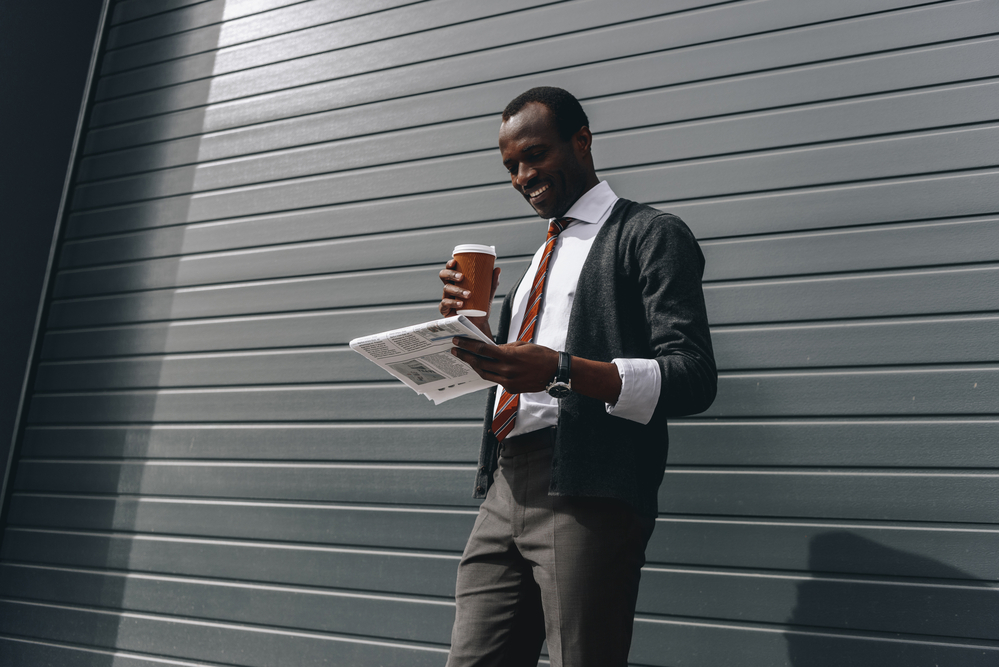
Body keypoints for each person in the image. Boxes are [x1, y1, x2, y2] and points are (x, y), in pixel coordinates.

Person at [438, 87, 717, 667]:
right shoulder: (539, 258)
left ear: (582, 141)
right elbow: (518, 371)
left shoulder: (649, 235)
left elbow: (692, 377)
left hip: (588, 490)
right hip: (505, 485)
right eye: (511, 166)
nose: (523, 176)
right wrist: (471, 333)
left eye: (535, 155)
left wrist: (560, 370)